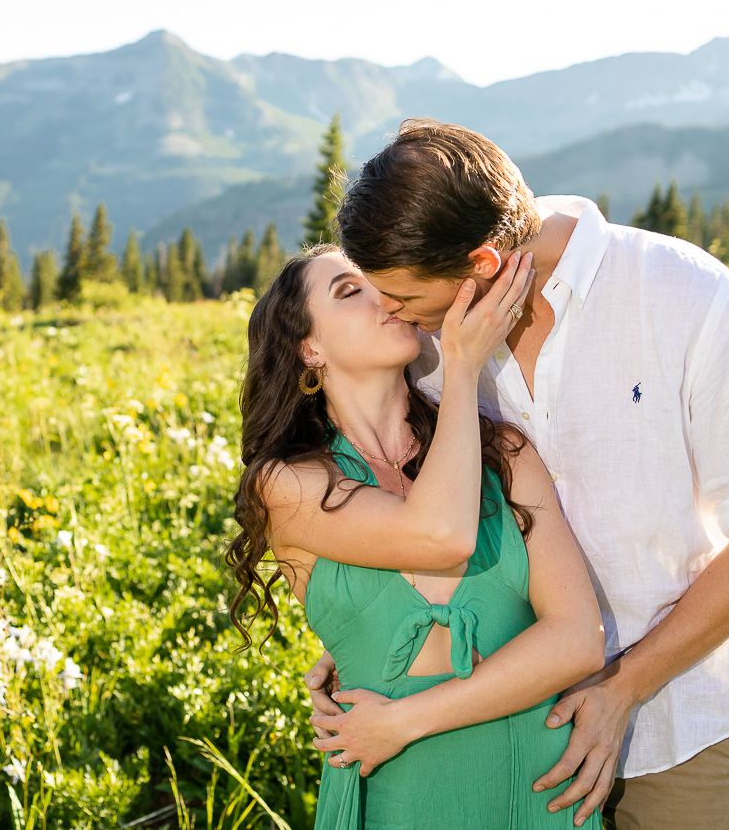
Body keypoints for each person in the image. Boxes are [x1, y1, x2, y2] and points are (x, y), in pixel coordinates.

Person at [308, 119, 729, 829]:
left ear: (484, 263)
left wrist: (624, 685)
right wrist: (367, 646)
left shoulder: (691, 299)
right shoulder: (431, 356)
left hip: (678, 732)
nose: (394, 318)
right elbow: (407, 513)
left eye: (406, 301)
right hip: (499, 733)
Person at [225, 244, 607, 828]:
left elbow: (579, 639)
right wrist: (461, 369)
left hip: (534, 784)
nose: (383, 297)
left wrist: (404, 720)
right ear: (310, 347)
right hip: (398, 796)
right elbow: (438, 538)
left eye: (382, 282)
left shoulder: (503, 455)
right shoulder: (287, 484)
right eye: (350, 291)